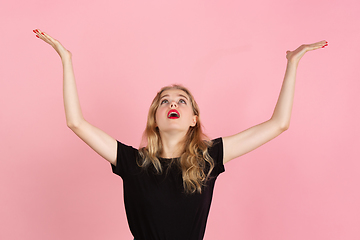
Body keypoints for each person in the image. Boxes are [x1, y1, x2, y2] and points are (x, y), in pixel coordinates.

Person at [33, 29, 327, 240]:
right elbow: (76, 123)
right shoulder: (132, 163)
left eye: (181, 100)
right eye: (164, 101)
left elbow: (278, 124)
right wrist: (66, 59)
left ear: (193, 120)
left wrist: (293, 62)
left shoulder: (209, 159)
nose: (172, 103)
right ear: (155, 119)